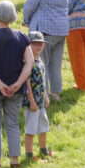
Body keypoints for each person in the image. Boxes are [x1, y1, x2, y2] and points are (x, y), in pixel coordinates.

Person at [0, 0, 35, 168]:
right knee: (12, 124)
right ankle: (15, 160)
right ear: (13, 17)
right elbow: (29, 62)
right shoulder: (22, 37)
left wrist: (0, 84)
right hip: (16, 90)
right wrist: (17, 84)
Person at [22, 0, 69, 100]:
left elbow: (29, 5)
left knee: (43, 62)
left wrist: (26, 20)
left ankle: (44, 93)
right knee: (56, 62)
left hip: (44, 30)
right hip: (61, 30)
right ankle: (56, 93)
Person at [23, 32, 53, 161]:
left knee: (43, 125)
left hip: (40, 101)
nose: (38, 46)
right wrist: (32, 101)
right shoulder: (27, 63)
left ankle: (43, 149)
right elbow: (27, 82)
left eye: (40, 43)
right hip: (31, 102)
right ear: (28, 46)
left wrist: (45, 96)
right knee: (31, 128)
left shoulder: (40, 61)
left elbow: (43, 82)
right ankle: (29, 154)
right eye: (34, 43)